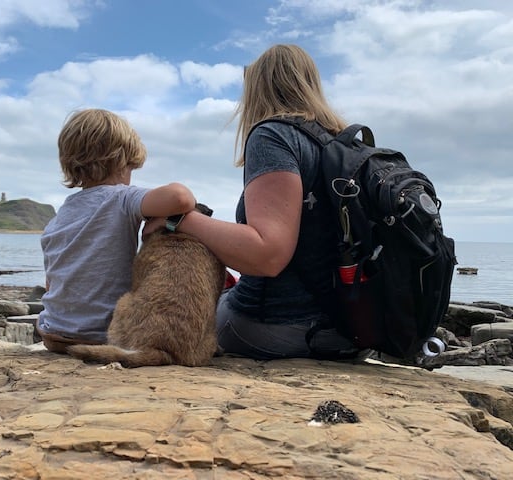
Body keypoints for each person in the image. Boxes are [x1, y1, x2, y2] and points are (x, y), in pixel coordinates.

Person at [143, 44, 361, 360]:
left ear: (258, 87)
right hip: (350, 328)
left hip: (280, 325)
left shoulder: (274, 135)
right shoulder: (342, 144)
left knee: (173, 312)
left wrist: (180, 220)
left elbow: (266, 255)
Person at [37, 108, 196, 353]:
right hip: (103, 336)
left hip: (53, 332)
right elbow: (181, 197)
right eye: (132, 168)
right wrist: (161, 220)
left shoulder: (60, 216)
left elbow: (52, 283)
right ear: (121, 161)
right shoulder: (122, 197)